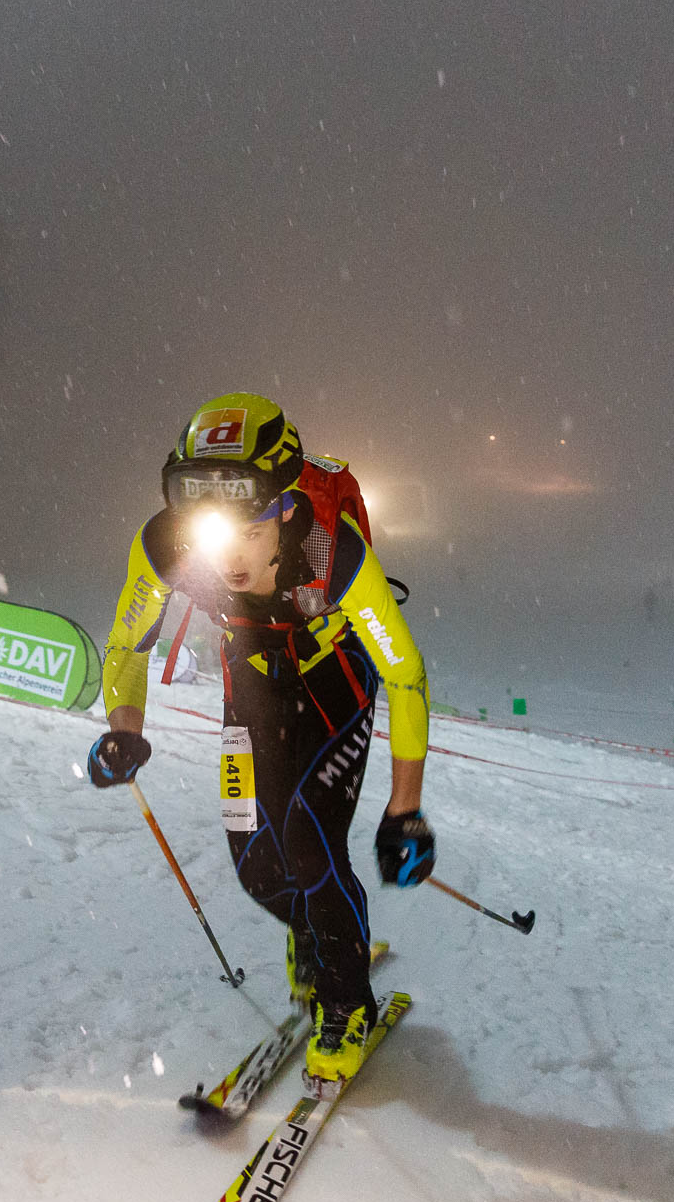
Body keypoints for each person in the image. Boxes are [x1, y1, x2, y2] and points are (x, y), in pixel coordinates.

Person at [88, 393, 434, 1085]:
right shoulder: (165, 544)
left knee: (308, 837)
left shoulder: (332, 550)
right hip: (250, 680)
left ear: (283, 510)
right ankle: (320, 933)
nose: (230, 560)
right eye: (214, 535)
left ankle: (346, 1002)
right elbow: (125, 644)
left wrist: (405, 810)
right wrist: (125, 731)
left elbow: (406, 672)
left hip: (337, 677)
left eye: (249, 532)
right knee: (256, 866)